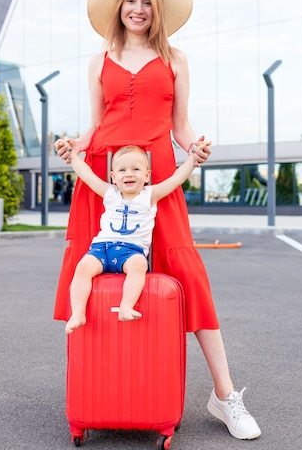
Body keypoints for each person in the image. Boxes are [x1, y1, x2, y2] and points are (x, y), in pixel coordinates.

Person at [54, 0, 261, 440]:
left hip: (159, 183)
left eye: (147, 1)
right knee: (97, 284)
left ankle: (225, 396)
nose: (139, 8)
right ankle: (108, 390)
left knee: (189, 278)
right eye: (131, 0)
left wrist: (197, 147)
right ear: (119, 7)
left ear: (157, 9)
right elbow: (97, 125)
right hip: (104, 183)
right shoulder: (98, 59)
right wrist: (75, 144)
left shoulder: (175, 59)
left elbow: (181, 126)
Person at [59, 141, 201, 331]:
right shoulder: (110, 193)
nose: (129, 174)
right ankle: (78, 313)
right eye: (122, 170)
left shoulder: (150, 194)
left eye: (136, 169)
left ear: (146, 175)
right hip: (102, 247)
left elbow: (176, 179)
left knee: (139, 266)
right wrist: (73, 156)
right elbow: (86, 175)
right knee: (83, 268)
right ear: (113, 177)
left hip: (131, 251)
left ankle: (126, 306)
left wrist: (194, 158)